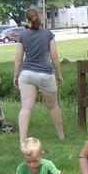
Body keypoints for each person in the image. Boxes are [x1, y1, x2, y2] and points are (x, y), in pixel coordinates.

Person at [14, 8, 65, 146]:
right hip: (45, 74)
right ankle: (61, 136)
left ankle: (22, 141)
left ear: (27, 20)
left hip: (27, 74)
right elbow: (54, 57)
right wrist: (59, 75)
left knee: (26, 107)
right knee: (53, 106)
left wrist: (16, 76)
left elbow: (19, 58)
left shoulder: (22, 35)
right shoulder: (48, 34)